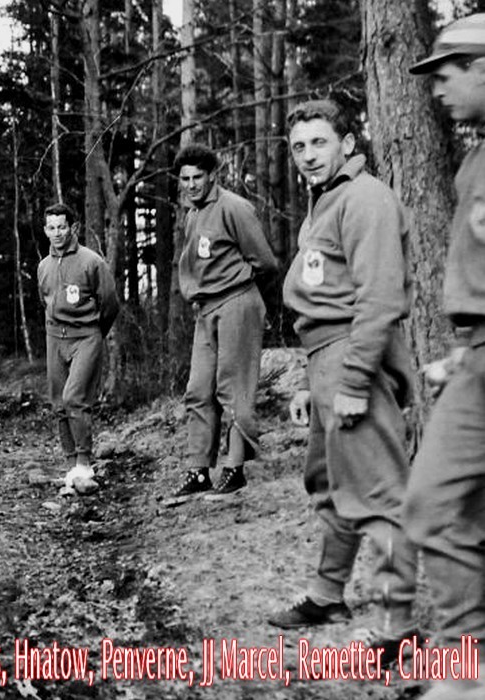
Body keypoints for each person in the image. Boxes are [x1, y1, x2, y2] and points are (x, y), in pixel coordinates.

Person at [267, 100, 418, 663]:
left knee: (378, 495)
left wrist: (353, 379)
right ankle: (328, 596)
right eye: (299, 146)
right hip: (325, 361)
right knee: (329, 485)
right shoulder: (326, 202)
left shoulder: (365, 198)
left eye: (320, 143)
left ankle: (397, 623)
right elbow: (322, 298)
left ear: (348, 144)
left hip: (355, 358)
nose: (308, 155)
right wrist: (313, 380)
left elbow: (378, 300)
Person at [406, 15, 485, 698]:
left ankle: (467, 673)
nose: (437, 91)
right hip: (477, 358)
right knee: (452, 512)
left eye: (449, 73)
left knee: (433, 506)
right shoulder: (475, 161)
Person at [169, 144, 277, 502]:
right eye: (185, 179)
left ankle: (234, 467)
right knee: (198, 390)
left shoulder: (234, 207)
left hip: (236, 303)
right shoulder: (192, 213)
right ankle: (199, 469)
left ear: (212, 175)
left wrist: (240, 290)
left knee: (233, 388)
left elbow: (265, 261)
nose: (191, 184)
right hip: (206, 310)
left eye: (198, 177)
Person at [36, 203, 120, 495]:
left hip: (86, 336)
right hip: (55, 338)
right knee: (59, 402)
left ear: (73, 228)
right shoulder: (43, 266)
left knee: (75, 398)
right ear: (45, 230)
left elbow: (109, 303)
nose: (57, 233)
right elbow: (45, 299)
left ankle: (85, 462)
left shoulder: (91, 261)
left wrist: (94, 333)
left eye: (62, 226)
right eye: (51, 227)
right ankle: (71, 465)